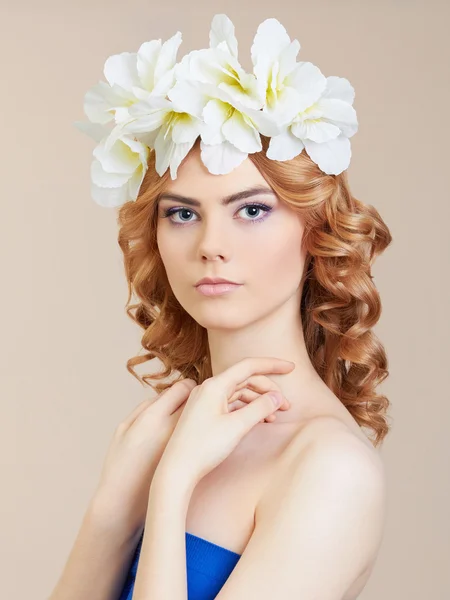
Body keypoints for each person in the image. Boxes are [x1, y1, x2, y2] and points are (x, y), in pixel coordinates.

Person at [50, 13, 392, 600]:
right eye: (182, 213)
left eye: (252, 210)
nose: (210, 246)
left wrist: (172, 484)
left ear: (314, 230)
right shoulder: (169, 433)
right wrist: (112, 507)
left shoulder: (332, 469)